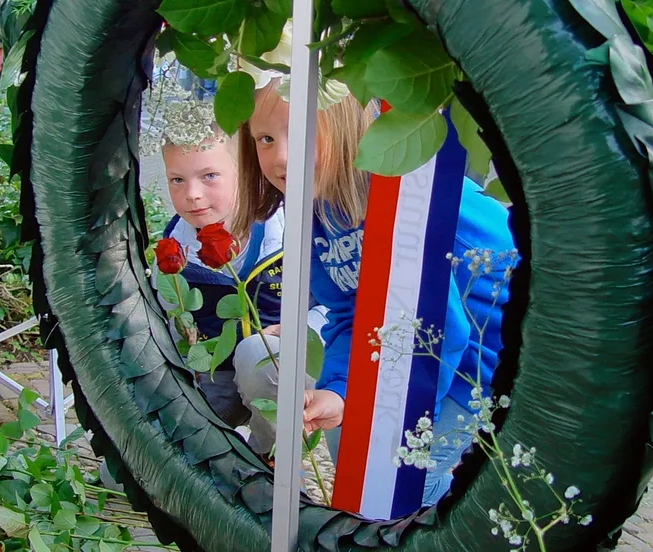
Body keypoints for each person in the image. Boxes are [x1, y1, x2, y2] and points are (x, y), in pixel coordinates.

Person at [232, 80, 514, 505]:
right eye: (266, 139)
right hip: (414, 345)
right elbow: (348, 310)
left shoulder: (400, 194)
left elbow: (444, 330)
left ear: (347, 129)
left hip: (481, 356)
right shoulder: (314, 207)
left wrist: (405, 426)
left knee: (405, 480)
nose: (282, 157)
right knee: (355, 454)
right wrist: (342, 391)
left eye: (304, 132)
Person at [156, 125, 328, 457]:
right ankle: (220, 464)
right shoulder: (175, 250)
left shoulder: (292, 230)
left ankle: (271, 460)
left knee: (258, 354)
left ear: (244, 173)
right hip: (216, 375)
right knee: (139, 466)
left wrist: (306, 329)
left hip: (282, 373)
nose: (192, 194)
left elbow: (338, 305)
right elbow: (168, 318)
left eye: (209, 176)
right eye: (177, 180)